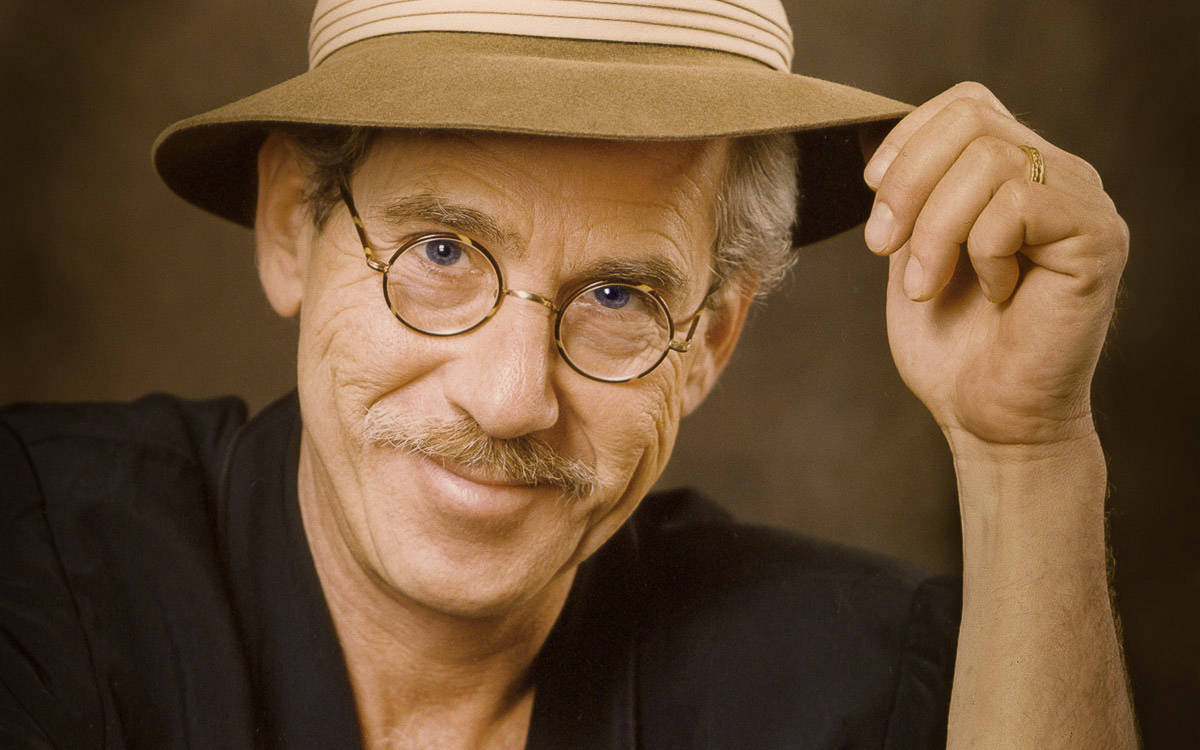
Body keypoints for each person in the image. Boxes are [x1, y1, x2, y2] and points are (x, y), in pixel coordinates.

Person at [0, 1, 1137, 747]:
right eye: (440, 253)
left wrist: (1026, 455)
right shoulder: (32, 566)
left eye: (619, 298)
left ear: (712, 340)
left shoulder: (871, 684)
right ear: (292, 223)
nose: (510, 400)